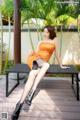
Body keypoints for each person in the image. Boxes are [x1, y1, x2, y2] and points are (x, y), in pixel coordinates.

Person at [11, 25, 64, 120]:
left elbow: (57, 55)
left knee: (33, 73)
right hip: (36, 59)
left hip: (43, 63)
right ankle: (31, 93)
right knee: (46, 65)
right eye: (44, 31)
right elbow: (36, 52)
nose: (45, 34)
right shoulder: (40, 42)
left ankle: (19, 105)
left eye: (47, 32)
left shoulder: (54, 41)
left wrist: (61, 65)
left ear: (50, 33)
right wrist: (30, 53)